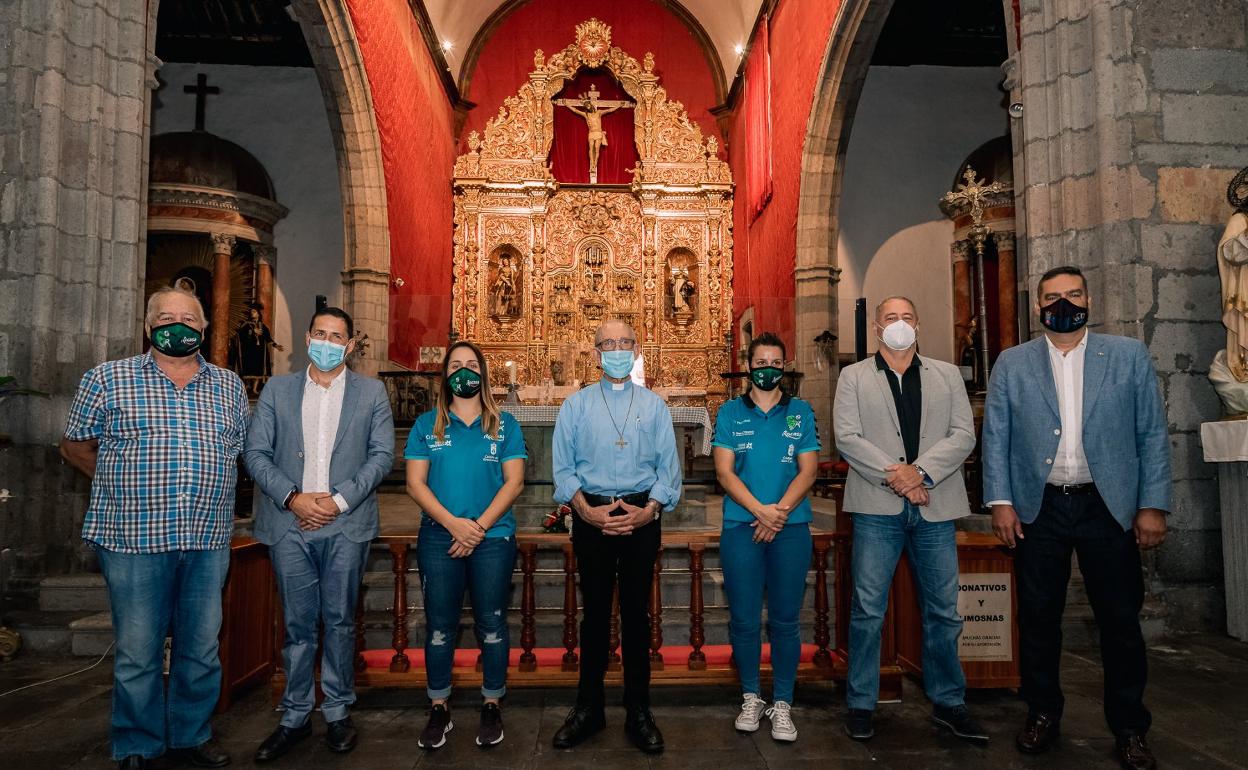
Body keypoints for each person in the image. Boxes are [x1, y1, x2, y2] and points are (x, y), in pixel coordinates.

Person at [982, 266, 1170, 770]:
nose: (1063, 303)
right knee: (1039, 619)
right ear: (1037, 307)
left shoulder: (1127, 356)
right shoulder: (1012, 362)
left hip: (1107, 506)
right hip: (1038, 506)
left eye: (1073, 294)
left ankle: (1130, 726)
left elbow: (1151, 432)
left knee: (1120, 621)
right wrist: (1000, 501)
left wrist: (1151, 505)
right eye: (1052, 297)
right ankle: (1042, 713)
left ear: (1089, 298)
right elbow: (995, 437)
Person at [60, 287, 249, 770]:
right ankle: (138, 744)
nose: (178, 325)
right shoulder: (108, 378)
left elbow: (242, 454)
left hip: (205, 539)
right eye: (166, 317)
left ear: (204, 329)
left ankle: (190, 736)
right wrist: (120, 483)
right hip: (133, 539)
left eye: (189, 318)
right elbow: (76, 446)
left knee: (201, 648)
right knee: (139, 652)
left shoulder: (228, 386)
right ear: (148, 327)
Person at [243, 307, 394, 762]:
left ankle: (337, 710)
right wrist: (293, 498)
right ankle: (293, 714)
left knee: (341, 620)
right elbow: (256, 452)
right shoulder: (278, 388)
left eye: (338, 336)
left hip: (346, 523)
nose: (328, 342)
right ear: (307, 338)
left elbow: (382, 454)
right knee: (296, 624)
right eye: (321, 333)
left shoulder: (371, 393)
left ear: (350, 345)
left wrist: (336, 501)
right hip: (289, 523)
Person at [832, 296, 986, 744]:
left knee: (943, 610)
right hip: (877, 510)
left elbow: (963, 434)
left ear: (918, 324)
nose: (898, 324)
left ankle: (949, 702)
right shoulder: (853, 377)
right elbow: (849, 437)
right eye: (890, 318)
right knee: (867, 610)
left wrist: (919, 473)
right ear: (877, 328)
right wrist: (901, 479)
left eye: (906, 317)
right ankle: (862, 703)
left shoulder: (947, 375)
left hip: (935, 507)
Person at [550, 319, 682, 754]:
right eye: (609, 343)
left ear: (636, 349)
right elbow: (563, 467)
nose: (617, 349)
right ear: (596, 353)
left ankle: (638, 709)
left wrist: (650, 511)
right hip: (593, 517)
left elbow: (669, 468)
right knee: (594, 617)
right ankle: (589, 708)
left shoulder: (655, 406)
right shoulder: (577, 405)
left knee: (637, 616)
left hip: (642, 514)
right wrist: (586, 510)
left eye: (625, 343)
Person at [404, 340, 526, 750]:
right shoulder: (427, 425)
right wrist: (455, 525)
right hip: (440, 537)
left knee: (491, 623)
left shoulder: (504, 423)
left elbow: (515, 481)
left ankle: (492, 702)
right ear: (445, 375)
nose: (464, 372)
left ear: (483, 374)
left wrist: (477, 527)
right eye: (455, 365)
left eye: (471, 365)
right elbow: (415, 483)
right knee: (440, 627)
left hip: (492, 538)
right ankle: (439, 706)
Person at [712, 332, 819, 742]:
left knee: (786, 620)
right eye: (760, 362)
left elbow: (808, 470)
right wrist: (760, 512)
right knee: (743, 619)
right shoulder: (729, 412)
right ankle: (752, 697)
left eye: (775, 362)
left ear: (784, 365)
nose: (768, 369)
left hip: (790, 528)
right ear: (749, 365)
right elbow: (724, 472)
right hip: (743, 527)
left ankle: (784, 703)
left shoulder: (801, 411)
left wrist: (779, 514)